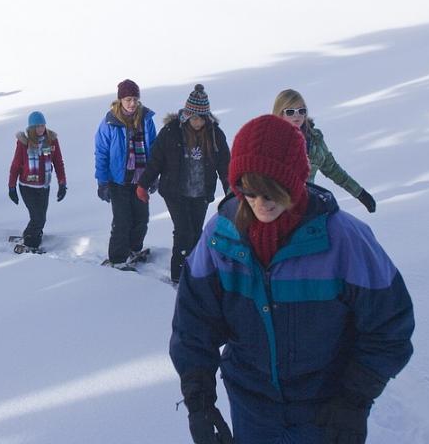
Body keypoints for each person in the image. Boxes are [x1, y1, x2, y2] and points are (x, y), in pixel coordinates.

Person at [170, 114, 414, 444]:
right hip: (252, 408)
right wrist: (199, 401)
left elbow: (390, 325)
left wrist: (354, 400)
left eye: (271, 191)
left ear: (295, 181)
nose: (259, 203)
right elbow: (194, 321)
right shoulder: (220, 238)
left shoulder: (344, 241)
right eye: (248, 190)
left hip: (325, 411)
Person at [137, 84, 229, 285]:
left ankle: (195, 273)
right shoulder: (171, 131)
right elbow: (156, 161)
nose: (198, 122)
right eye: (194, 118)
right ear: (187, 115)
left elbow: (225, 165)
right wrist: (143, 184)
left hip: (201, 192)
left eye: (202, 118)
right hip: (175, 191)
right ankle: (178, 276)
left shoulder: (214, 134)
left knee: (196, 233)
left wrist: (231, 191)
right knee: (183, 231)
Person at [273, 89, 376, 213]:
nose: (297, 115)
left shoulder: (315, 139)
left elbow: (332, 169)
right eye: (290, 111)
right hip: (278, 208)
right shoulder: (271, 141)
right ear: (280, 114)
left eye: (301, 110)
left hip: (308, 204)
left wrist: (360, 193)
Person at [94, 79, 157, 270]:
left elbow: (154, 148)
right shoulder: (109, 122)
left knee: (141, 219)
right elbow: (101, 153)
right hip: (117, 181)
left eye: (135, 99)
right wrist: (102, 182)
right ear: (120, 99)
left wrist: (153, 176)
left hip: (140, 179)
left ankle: (133, 249)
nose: (132, 103)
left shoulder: (146, 119)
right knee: (122, 221)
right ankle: (117, 258)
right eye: (128, 99)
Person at [7, 111, 67, 251]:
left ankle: (29, 234)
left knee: (40, 218)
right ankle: (30, 244)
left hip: (44, 186)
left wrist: (62, 183)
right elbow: (16, 165)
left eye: (42, 125)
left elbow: (58, 162)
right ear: (31, 128)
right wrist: (11, 187)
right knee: (38, 218)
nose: (40, 129)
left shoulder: (51, 140)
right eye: (37, 126)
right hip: (27, 186)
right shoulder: (24, 142)